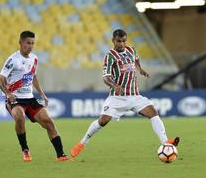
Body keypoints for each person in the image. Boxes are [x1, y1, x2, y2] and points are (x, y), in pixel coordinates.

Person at [71, 29, 179, 158]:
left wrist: (140, 69)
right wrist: (114, 85)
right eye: (118, 41)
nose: (121, 44)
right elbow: (106, 77)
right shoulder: (110, 56)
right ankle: (82, 143)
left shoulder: (131, 50)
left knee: (153, 113)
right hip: (118, 97)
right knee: (103, 121)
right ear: (113, 41)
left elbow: (136, 60)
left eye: (123, 41)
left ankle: (165, 143)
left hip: (135, 95)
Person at [0, 31, 70, 162]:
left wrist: (42, 94)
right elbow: (1, 78)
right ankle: (25, 149)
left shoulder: (34, 58)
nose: (30, 46)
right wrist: (8, 94)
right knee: (19, 117)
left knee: (49, 122)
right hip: (15, 99)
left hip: (29, 98)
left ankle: (61, 155)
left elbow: (33, 77)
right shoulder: (13, 59)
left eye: (32, 43)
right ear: (20, 43)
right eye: (28, 43)